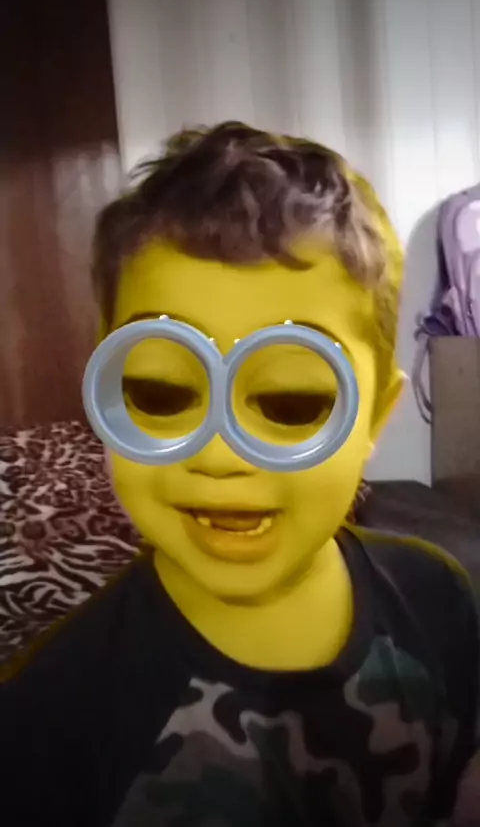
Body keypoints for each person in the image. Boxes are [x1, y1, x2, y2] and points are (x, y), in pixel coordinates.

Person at [0, 122, 478, 826]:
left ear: (374, 420)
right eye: (160, 393)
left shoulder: (440, 599)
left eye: (292, 402)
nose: (222, 455)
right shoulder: (46, 719)